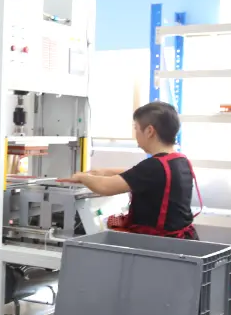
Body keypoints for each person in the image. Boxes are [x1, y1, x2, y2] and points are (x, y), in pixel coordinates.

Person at [62, 101, 202, 239]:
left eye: (136, 128)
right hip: (184, 240)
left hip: (160, 245)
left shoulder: (153, 167)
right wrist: (104, 172)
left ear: (149, 131)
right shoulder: (180, 160)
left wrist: (82, 177)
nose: (136, 135)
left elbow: (105, 187)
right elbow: (138, 174)